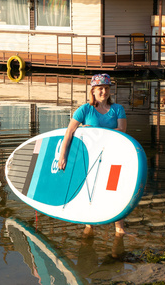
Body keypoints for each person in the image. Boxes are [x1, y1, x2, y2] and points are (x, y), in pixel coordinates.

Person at [58, 73, 127, 236]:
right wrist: (63, 156)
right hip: (90, 157)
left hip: (113, 156)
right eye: (100, 88)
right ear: (93, 91)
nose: (104, 91)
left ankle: (119, 228)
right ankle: (89, 225)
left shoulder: (118, 109)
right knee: (91, 189)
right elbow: (69, 132)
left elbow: (122, 131)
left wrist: (93, 130)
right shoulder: (85, 109)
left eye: (107, 88)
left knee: (116, 190)